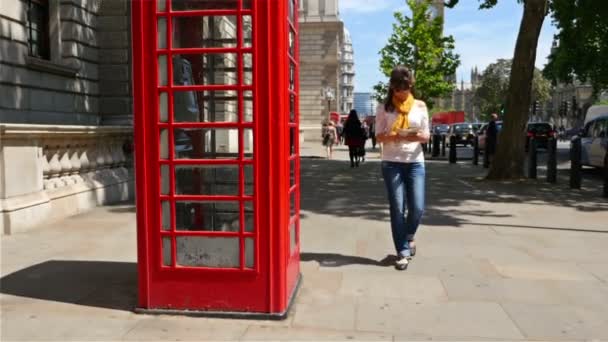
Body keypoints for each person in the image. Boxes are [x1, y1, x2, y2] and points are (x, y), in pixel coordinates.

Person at [375, 65, 430, 270]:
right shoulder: (384, 108)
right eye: (398, 89)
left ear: (410, 85)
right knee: (398, 208)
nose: (401, 92)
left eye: (405, 88)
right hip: (391, 162)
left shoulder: (420, 106)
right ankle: (402, 251)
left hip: (415, 161)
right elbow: (379, 135)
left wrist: (412, 135)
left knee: (417, 207)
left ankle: (408, 235)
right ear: (392, 88)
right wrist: (396, 135)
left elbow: (426, 136)